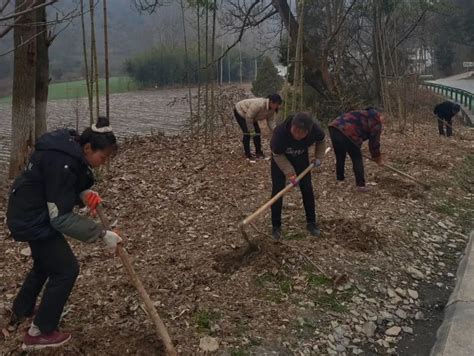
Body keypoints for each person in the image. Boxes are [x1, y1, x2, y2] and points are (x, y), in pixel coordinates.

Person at [6, 116, 122, 350]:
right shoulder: (63, 160)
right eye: (103, 157)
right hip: (32, 218)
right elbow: (59, 218)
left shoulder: (69, 150)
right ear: (88, 147)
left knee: (44, 264)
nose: (103, 162)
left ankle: (22, 309)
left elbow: (61, 185)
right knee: (67, 269)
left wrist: (83, 193)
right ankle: (40, 332)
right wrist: (101, 235)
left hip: (29, 210)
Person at [270, 112, 326, 240]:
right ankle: (276, 226)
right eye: (295, 131)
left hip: (301, 157)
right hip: (281, 159)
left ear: (309, 131)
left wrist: (318, 157)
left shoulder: (315, 130)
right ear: (292, 126)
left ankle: (311, 223)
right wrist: (290, 174)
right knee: (277, 190)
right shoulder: (280, 134)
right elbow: (277, 155)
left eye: (302, 132)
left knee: (307, 189)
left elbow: (321, 141)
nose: (297, 135)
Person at [328, 108, 383, 193]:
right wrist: (377, 158)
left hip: (334, 127)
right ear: (380, 115)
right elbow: (374, 143)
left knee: (340, 155)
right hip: (348, 130)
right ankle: (360, 185)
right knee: (356, 157)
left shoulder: (363, 114)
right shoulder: (376, 122)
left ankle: (340, 179)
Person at [234, 94, 283, 160]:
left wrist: (276, 131)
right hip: (241, 111)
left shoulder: (272, 110)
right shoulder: (259, 104)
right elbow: (249, 117)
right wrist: (251, 130)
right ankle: (247, 154)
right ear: (271, 102)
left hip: (252, 117)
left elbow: (271, 122)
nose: (277, 106)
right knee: (247, 133)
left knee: (257, 133)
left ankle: (258, 153)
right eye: (276, 104)